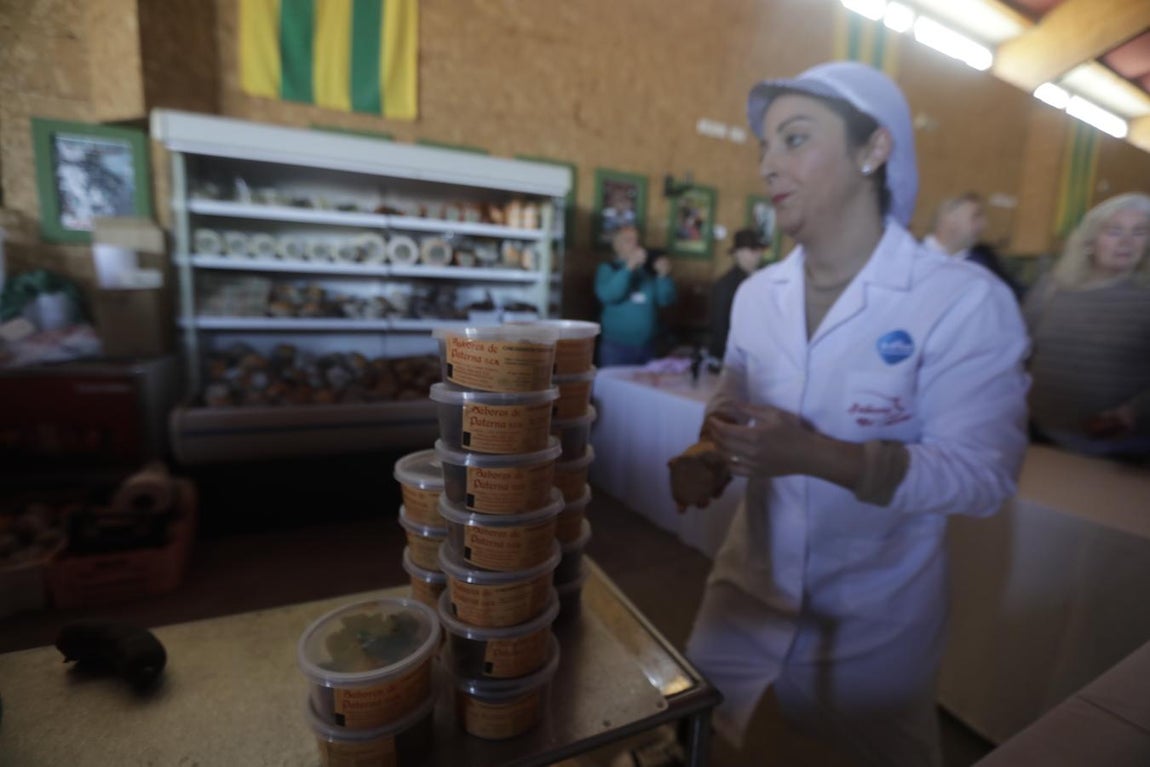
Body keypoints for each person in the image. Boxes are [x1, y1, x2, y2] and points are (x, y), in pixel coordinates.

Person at [667, 62, 1029, 766]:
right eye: (765, 146)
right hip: (749, 583)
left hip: (877, 611)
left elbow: (983, 476)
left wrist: (816, 455)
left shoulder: (960, 300)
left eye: (795, 138)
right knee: (684, 736)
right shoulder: (759, 296)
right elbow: (733, 399)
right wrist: (710, 453)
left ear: (874, 148)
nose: (768, 164)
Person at [1023, 192, 1150, 457]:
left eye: (1139, 232)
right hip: (1037, 437)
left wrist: (1131, 412)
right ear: (1090, 239)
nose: (1126, 242)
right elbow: (1017, 352)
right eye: (1114, 231)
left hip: (1118, 450)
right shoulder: (1051, 287)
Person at [595, 225, 677, 366]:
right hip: (616, 347)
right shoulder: (608, 268)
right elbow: (609, 295)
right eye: (628, 240)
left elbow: (666, 300)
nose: (635, 244)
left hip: (648, 346)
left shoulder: (647, 272)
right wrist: (629, 267)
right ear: (617, 246)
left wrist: (663, 276)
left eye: (637, 240)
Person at [923, 192, 1024, 298]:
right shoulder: (915, 257)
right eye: (975, 217)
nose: (984, 225)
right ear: (951, 221)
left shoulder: (985, 259)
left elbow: (1013, 294)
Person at [708, 228, 767, 362]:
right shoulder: (724, 285)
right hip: (734, 356)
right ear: (738, 253)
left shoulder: (767, 279)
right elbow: (720, 327)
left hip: (760, 354)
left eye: (759, 250)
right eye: (752, 250)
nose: (758, 254)